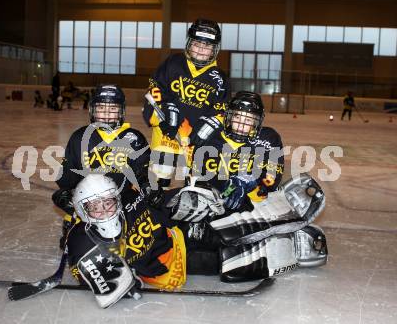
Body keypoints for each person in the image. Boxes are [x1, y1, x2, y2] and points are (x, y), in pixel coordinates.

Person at [165, 91, 328, 282]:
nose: (242, 124)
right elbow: (199, 178)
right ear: (228, 117)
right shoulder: (211, 140)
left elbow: (272, 178)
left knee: (224, 241)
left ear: (257, 122)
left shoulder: (268, 138)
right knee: (176, 216)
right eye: (238, 117)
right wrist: (223, 187)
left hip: (251, 206)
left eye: (249, 119)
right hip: (216, 204)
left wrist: (249, 181)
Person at [53, 84, 163, 248]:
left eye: (112, 109)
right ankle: (73, 224)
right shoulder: (79, 137)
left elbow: (142, 169)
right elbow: (67, 176)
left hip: (122, 199)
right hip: (89, 202)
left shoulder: (133, 137)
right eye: (101, 108)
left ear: (121, 111)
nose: (106, 114)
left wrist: (148, 185)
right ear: (92, 110)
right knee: (80, 237)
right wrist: (67, 194)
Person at [66, 174, 186, 308]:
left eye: (107, 203)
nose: (105, 211)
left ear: (117, 200)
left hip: (166, 247)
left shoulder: (132, 203)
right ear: (83, 212)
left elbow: (163, 203)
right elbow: (83, 272)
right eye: (95, 207)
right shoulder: (80, 242)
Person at [142, 18, 231, 189]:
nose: (201, 50)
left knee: (194, 188)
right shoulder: (173, 63)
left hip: (196, 143)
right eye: (198, 44)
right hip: (166, 138)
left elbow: (222, 109)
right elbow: (154, 90)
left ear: (215, 49)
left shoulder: (220, 78)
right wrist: (163, 115)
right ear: (189, 43)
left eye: (207, 46)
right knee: (158, 184)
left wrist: (207, 129)